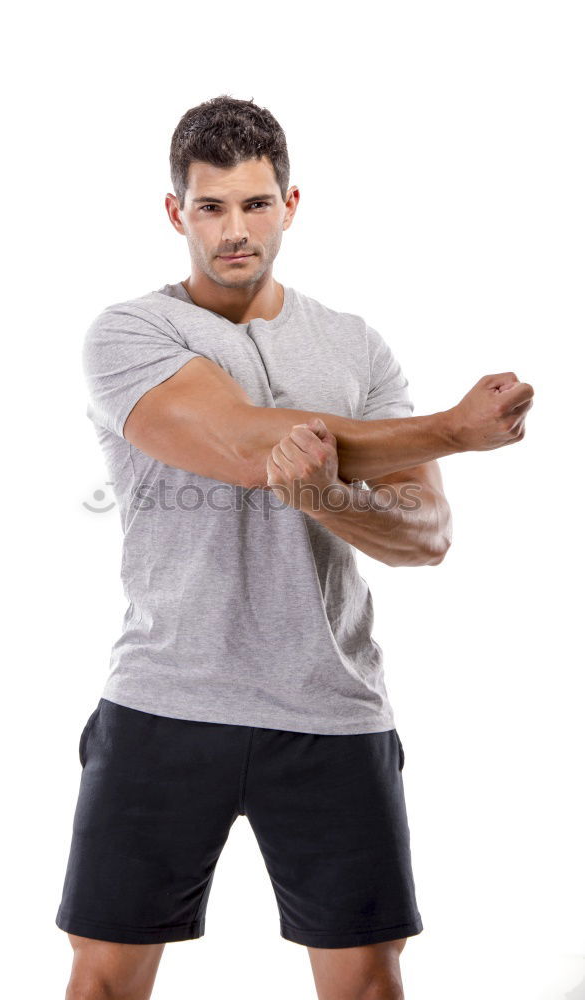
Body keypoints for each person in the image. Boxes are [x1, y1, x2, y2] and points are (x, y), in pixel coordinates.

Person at [55, 95, 534, 1000]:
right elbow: (240, 443)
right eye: (211, 207)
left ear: (290, 203)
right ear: (176, 213)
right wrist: (454, 432)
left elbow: (427, 536)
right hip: (166, 697)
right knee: (105, 978)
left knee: (365, 981)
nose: (235, 230)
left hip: (333, 705)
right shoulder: (131, 332)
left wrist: (327, 499)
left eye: (255, 204)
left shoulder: (355, 346)